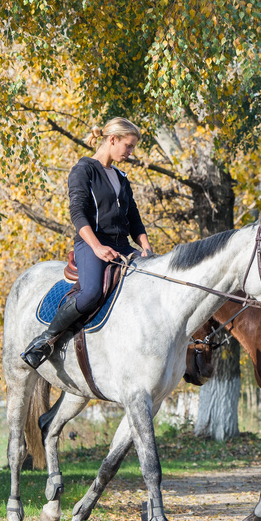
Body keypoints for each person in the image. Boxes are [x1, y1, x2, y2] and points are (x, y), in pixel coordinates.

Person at [20, 118, 154, 369]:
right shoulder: (83, 170)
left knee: (153, 278)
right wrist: (97, 247)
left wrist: (146, 248)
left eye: (133, 147)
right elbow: (78, 213)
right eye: (128, 145)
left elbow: (134, 218)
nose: (131, 152)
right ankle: (46, 340)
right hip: (90, 243)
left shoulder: (121, 178)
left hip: (123, 245)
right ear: (112, 139)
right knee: (91, 292)